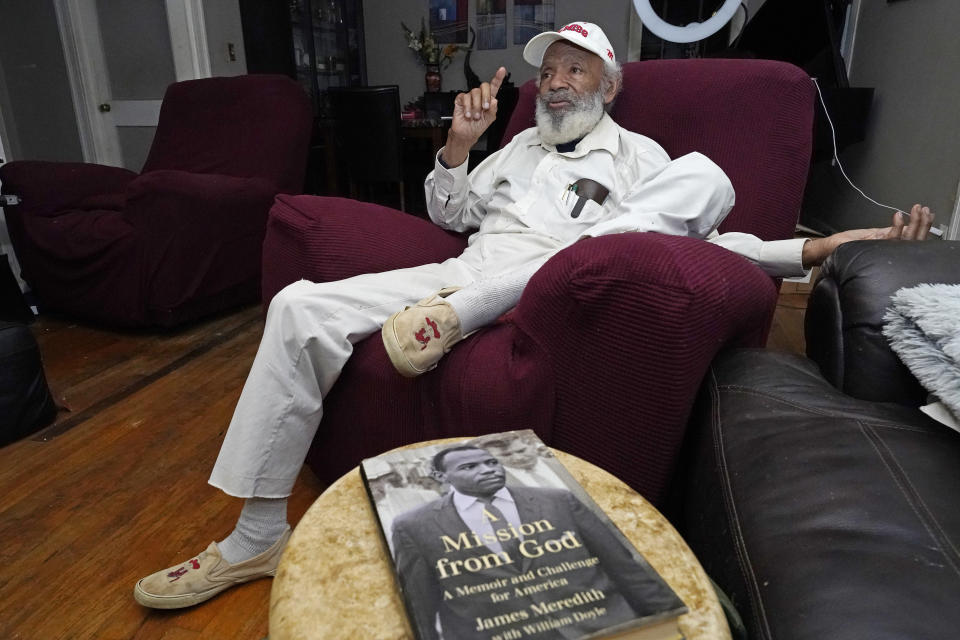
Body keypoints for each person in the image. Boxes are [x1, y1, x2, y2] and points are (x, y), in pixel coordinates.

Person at [133, 20, 934, 609]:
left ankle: (476, 310)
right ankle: (257, 535)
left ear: (609, 87)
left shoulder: (644, 159)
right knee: (302, 305)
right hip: (457, 276)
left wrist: (817, 248)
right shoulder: (515, 149)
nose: (556, 81)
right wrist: (457, 147)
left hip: (560, 297)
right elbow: (449, 216)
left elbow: (711, 238)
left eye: (576, 69)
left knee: (703, 177)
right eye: (549, 70)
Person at [390, 445, 683, 639]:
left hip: (605, 627)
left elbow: (622, 567)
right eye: (470, 467)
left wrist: (675, 623)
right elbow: (420, 607)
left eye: (491, 462)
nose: (488, 469)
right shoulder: (413, 526)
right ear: (443, 476)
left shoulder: (557, 500)